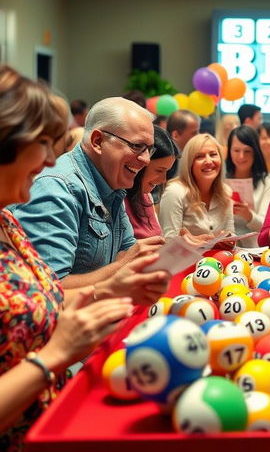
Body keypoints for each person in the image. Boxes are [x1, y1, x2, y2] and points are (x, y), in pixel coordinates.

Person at [0, 66, 162, 450]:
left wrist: (109, 289)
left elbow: (46, 298)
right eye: (44, 144)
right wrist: (52, 358)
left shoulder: (7, 217)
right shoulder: (55, 187)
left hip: (49, 419)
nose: (50, 159)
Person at [12, 97, 168, 289]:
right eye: (137, 146)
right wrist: (121, 267)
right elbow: (50, 290)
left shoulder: (112, 181)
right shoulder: (57, 188)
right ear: (97, 141)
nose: (145, 160)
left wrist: (181, 249)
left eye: (149, 149)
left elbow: (127, 250)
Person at [159, 133, 234, 240]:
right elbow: (169, 242)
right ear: (189, 164)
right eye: (200, 156)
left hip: (219, 256)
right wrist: (195, 243)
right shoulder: (175, 192)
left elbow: (230, 233)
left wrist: (229, 241)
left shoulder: (226, 192)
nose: (208, 161)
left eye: (213, 154)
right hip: (186, 257)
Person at [225, 125, 270, 247]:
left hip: (257, 248)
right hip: (226, 246)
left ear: (255, 151)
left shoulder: (268, 181)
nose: (241, 156)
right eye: (236, 150)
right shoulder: (221, 179)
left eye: (247, 151)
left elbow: (268, 226)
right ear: (229, 151)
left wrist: (249, 216)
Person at [124, 125, 179, 239]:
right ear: (141, 164)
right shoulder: (117, 200)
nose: (163, 179)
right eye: (159, 170)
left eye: (167, 172)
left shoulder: (146, 197)